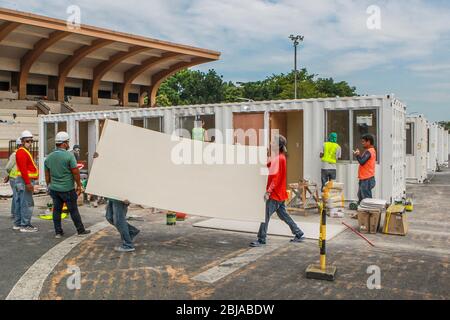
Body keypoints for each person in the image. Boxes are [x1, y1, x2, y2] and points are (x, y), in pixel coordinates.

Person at [250, 135, 305, 247]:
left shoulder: (279, 159)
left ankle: (261, 239)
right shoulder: (280, 157)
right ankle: (298, 233)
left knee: (264, 216)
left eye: (272, 143)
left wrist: (268, 191)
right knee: (284, 215)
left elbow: (276, 177)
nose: (270, 144)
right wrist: (266, 155)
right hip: (280, 193)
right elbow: (268, 165)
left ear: (278, 145)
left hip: (275, 194)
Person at [44, 132, 90, 238]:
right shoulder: (69, 156)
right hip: (67, 189)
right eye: (67, 142)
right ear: (64, 143)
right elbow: (75, 172)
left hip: (54, 189)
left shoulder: (49, 158)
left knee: (57, 210)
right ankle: (80, 230)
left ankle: (58, 232)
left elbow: (47, 175)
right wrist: (79, 185)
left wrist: (49, 186)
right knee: (73, 210)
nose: (68, 144)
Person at [93, 152, 140, 252]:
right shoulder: (112, 163)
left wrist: (128, 195)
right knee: (109, 217)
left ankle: (128, 244)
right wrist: (98, 160)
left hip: (121, 196)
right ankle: (132, 231)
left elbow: (131, 177)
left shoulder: (125, 163)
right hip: (112, 194)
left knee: (119, 220)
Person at [14, 131, 39, 232]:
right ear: (22, 141)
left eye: (31, 141)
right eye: (27, 141)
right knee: (27, 203)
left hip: (22, 181)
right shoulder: (22, 152)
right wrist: (28, 183)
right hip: (25, 181)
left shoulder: (22, 151)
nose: (30, 143)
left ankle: (18, 224)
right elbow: (23, 169)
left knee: (20, 202)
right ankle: (25, 225)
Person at [353, 134, 377, 203]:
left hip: (367, 179)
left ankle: (369, 213)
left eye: (363, 142)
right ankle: (362, 213)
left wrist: (357, 155)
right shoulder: (371, 151)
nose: (362, 143)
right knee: (361, 197)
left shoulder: (369, 151)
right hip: (365, 178)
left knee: (367, 200)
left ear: (368, 142)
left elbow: (362, 161)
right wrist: (358, 155)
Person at [5, 137, 22, 220]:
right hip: (14, 178)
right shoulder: (15, 154)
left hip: (17, 178)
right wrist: (9, 175)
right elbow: (8, 167)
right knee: (16, 196)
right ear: (20, 145)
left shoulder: (22, 153)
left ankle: (15, 213)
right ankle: (15, 213)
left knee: (17, 196)